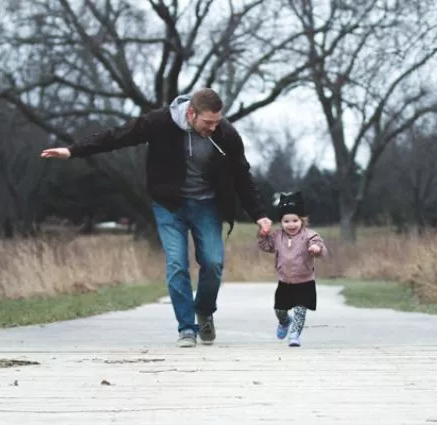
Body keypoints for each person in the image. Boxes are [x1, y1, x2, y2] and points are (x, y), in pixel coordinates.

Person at [41, 88, 272, 348]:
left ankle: (204, 311)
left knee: (214, 262)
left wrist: (260, 215)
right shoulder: (160, 122)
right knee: (177, 264)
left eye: (217, 121)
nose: (213, 128)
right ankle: (186, 328)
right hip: (169, 205)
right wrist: (73, 151)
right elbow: (118, 136)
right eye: (208, 122)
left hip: (206, 204)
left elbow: (242, 175)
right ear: (191, 112)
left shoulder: (225, 133)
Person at [257, 191, 327, 347]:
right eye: (286, 221)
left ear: (302, 220)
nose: (291, 224)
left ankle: (295, 335)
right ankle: (284, 322)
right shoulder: (277, 236)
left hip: (305, 282)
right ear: (281, 222)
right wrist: (262, 235)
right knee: (280, 310)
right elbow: (265, 246)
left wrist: (316, 248)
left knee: (300, 312)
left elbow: (321, 248)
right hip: (284, 282)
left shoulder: (309, 236)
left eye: (295, 220)